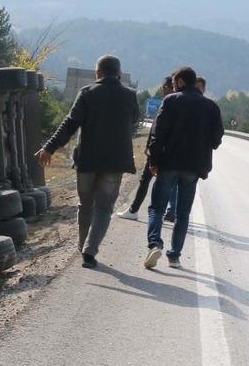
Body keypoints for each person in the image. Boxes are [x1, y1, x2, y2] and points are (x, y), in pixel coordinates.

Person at [36, 55, 139, 268]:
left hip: (87, 160)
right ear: (118, 74)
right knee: (104, 207)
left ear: (97, 73)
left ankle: (83, 245)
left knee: (85, 205)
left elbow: (70, 123)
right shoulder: (130, 96)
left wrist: (49, 148)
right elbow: (135, 119)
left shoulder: (87, 93)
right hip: (115, 162)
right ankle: (90, 250)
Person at [144, 67, 223, 269]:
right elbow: (216, 138)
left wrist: (154, 160)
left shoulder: (170, 101)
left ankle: (155, 244)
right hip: (194, 168)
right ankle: (175, 256)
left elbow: (157, 133)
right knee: (183, 212)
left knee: (157, 207)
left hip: (169, 163)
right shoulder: (211, 107)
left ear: (179, 81)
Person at [117, 77, 178, 221]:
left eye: (164, 87)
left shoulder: (169, 104)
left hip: (159, 152)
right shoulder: (174, 104)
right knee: (165, 184)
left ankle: (135, 210)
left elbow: (158, 130)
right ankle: (166, 212)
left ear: (171, 87)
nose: (162, 89)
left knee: (147, 181)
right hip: (164, 152)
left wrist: (152, 150)